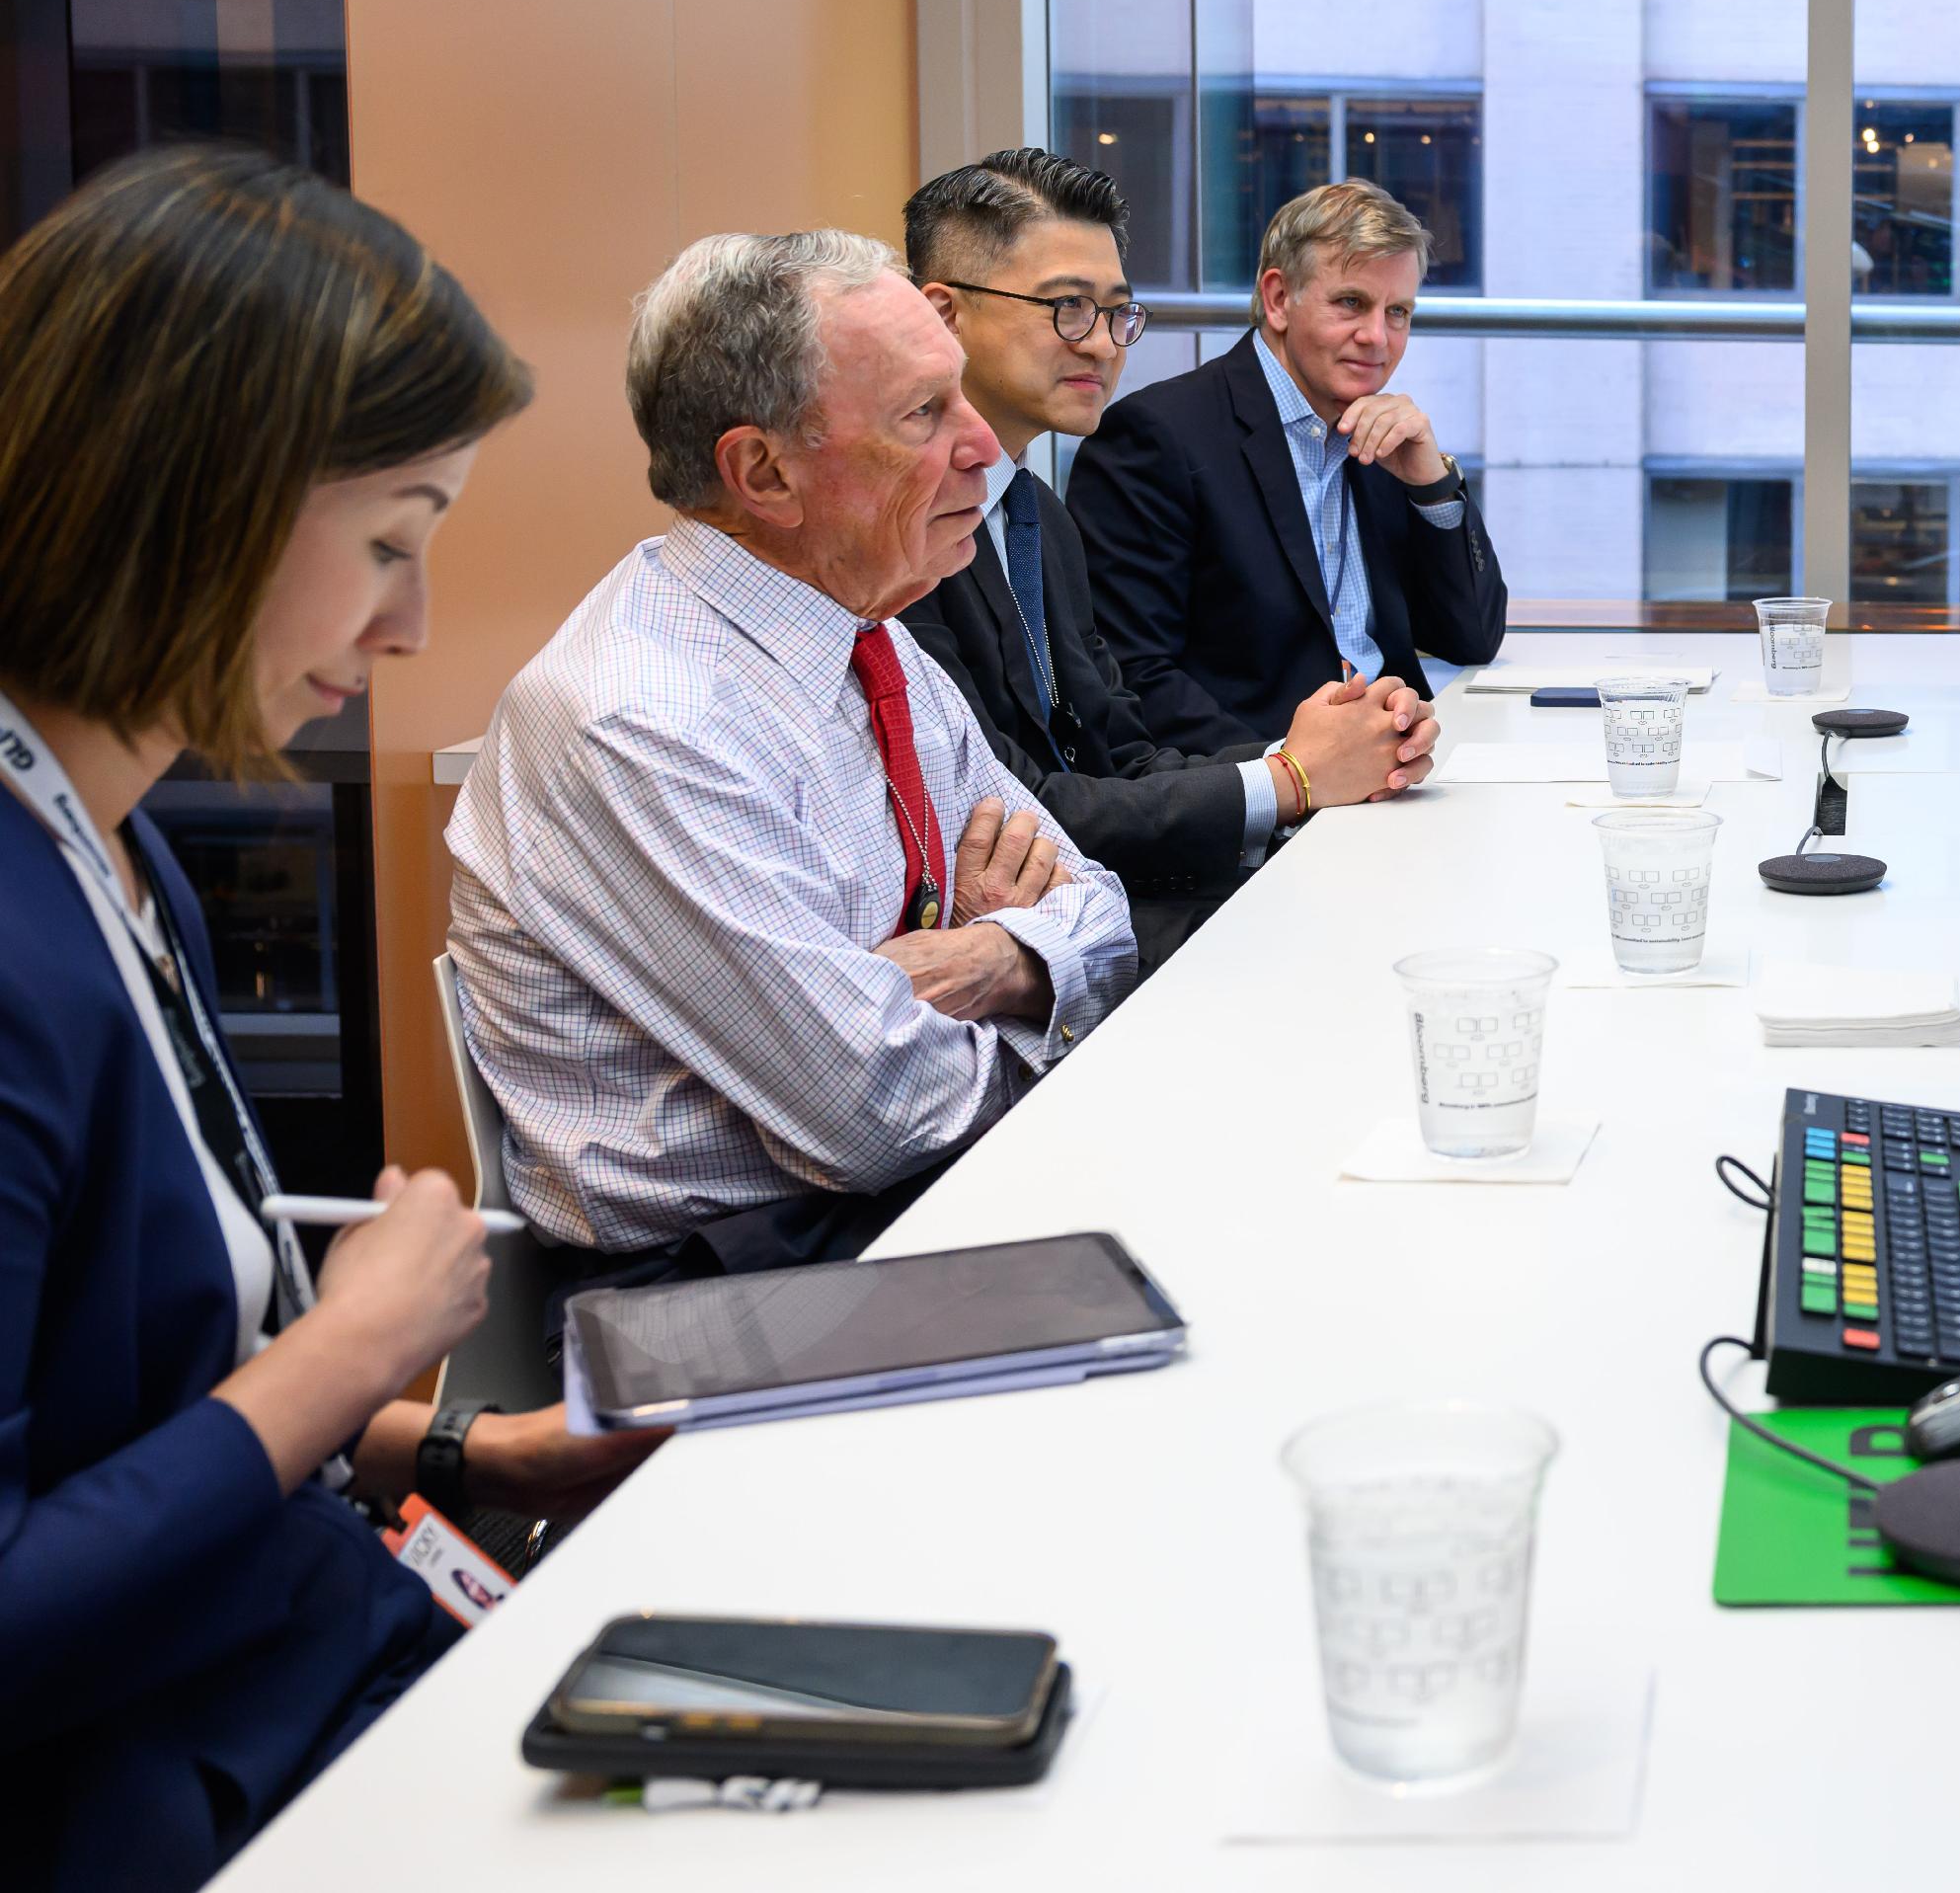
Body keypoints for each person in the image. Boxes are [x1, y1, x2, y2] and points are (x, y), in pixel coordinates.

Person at [0, 151, 656, 1889]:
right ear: (186, 501)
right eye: (387, 540)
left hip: (285, 1646)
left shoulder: (120, 848)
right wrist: (355, 1349)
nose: (412, 621)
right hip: (165, 1770)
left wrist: (466, 1439)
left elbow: (125, 1400)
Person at [450, 230, 1139, 1296]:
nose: (985, 450)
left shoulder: (862, 629)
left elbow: (1098, 904)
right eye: (924, 415)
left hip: (894, 1205)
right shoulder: (639, 719)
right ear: (763, 473)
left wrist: (999, 962)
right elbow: (877, 1112)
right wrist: (1050, 997)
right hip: (730, 1279)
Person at [902, 152, 1436, 969]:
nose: (1104, 344)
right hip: (1042, 937)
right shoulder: (899, 528)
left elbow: (1122, 750)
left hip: (1104, 897)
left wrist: (1341, 750)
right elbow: (1010, 810)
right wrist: (1290, 776)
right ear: (942, 315)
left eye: (1118, 313)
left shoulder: (1034, 511)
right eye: (1068, 308)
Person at [1070, 178, 1509, 754]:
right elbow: (1134, 677)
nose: (1377, 337)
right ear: (1278, 299)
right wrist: (1299, 776)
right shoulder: (1155, 437)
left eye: (1397, 311)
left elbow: (1470, 636)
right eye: (1351, 302)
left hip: (1400, 764)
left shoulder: (1381, 437)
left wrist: (1432, 487)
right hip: (1265, 797)